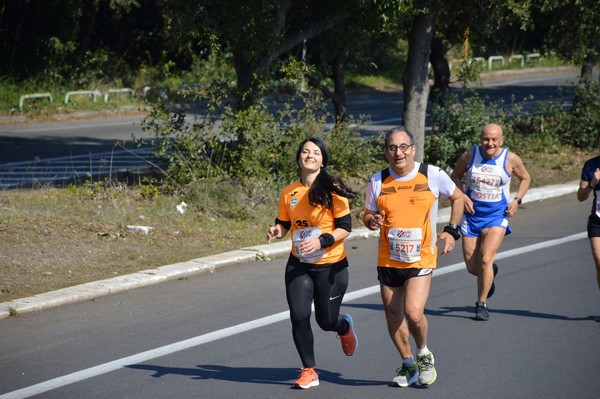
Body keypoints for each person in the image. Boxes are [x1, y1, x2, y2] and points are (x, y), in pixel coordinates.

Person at [363, 127, 464, 388]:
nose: (399, 152)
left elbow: (457, 198)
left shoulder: (431, 174)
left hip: (421, 258)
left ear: (413, 148)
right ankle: (409, 364)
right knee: (393, 315)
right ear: (386, 151)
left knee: (413, 312)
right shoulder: (378, 180)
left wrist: (452, 230)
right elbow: (366, 215)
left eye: (404, 147)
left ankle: (423, 353)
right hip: (388, 259)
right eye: (393, 148)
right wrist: (371, 220)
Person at [267, 137, 358, 390]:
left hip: (332, 265)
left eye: (316, 152)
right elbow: (285, 223)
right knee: (299, 315)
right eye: (305, 152)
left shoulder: (333, 188)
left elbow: (345, 228)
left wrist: (322, 241)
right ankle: (309, 370)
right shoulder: (289, 192)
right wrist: (277, 230)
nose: (310, 155)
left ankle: (344, 326)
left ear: (322, 161)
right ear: (298, 158)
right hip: (299, 263)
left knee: (325, 321)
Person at [450, 123, 531, 320]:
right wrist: (464, 197)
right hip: (471, 217)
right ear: (480, 139)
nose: (490, 143)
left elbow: (526, 178)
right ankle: (489, 273)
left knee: (485, 259)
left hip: (496, 216)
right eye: (486, 139)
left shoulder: (510, 159)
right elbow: (454, 177)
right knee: (473, 267)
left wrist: (517, 200)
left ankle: (481, 304)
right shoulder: (470, 155)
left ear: (501, 140)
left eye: (494, 139)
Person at [577, 134, 600, 289]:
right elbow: (580, 196)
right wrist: (592, 183)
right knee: (599, 262)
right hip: (597, 220)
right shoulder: (591, 165)